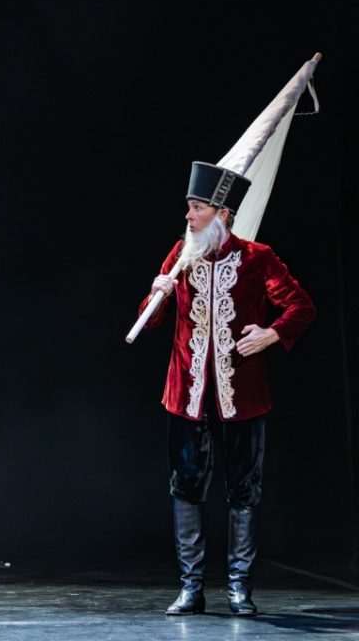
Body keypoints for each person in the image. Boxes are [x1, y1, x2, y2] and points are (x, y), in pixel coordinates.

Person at [141, 162, 315, 616]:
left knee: (244, 490)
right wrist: (157, 292)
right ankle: (191, 588)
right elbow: (150, 320)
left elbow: (300, 306)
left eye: (197, 208)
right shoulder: (181, 254)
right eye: (188, 207)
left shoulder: (257, 258)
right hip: (188, 394)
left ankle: (239, 588)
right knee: (186, 487)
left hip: (243, 395)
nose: (189, 216)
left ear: (222, 214)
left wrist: (271, 334)